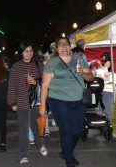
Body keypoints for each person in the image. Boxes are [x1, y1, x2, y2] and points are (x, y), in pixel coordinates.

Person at [39, 36, 93, 167]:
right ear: (56, 48)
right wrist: (42, 106)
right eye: (60, 44)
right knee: (66, 130)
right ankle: (69, 160)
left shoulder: (78, 59)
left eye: (66, 44)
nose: (64, 46)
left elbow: (90, 77)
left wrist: (83, 74)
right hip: (58, 100)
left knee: (78, 131)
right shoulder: (52, 62)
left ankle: (66, 151)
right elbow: (45, 86)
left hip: (78, 100)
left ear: (70, 46)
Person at [7, 41, 47, 164]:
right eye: (26, 51)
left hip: (35, 101)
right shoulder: (16, 66)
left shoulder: (38, 64)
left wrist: (36, 82)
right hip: (21, 101)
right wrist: (12, 101)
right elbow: (12, 85)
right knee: (23, 130)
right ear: (21, 53)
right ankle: (24, 155)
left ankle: (40, 145)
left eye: (31, 51)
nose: (29, 54)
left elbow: (46, 82)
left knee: (36, 126)